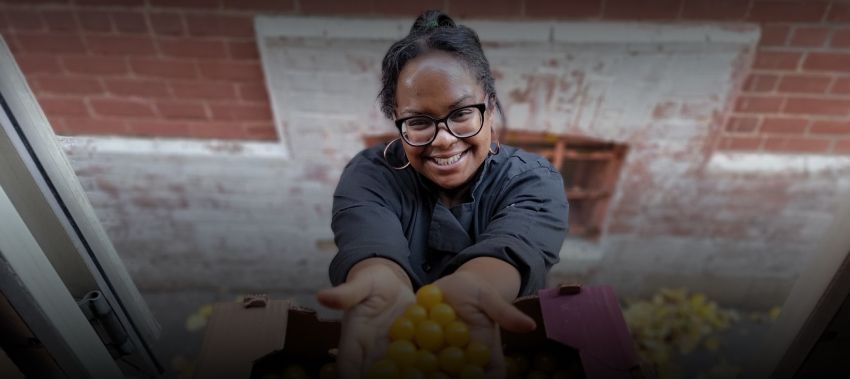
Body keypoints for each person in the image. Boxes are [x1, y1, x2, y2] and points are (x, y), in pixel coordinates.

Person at [317, 10, 569, 379]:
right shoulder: (370, 175)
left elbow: (514, 247)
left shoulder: (533, 180)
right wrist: (379, 276)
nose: (445, 139)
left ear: (490, 104)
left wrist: (477, 286)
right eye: (418, 122)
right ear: (396, 121)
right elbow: (370, 243)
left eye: (462, 113)